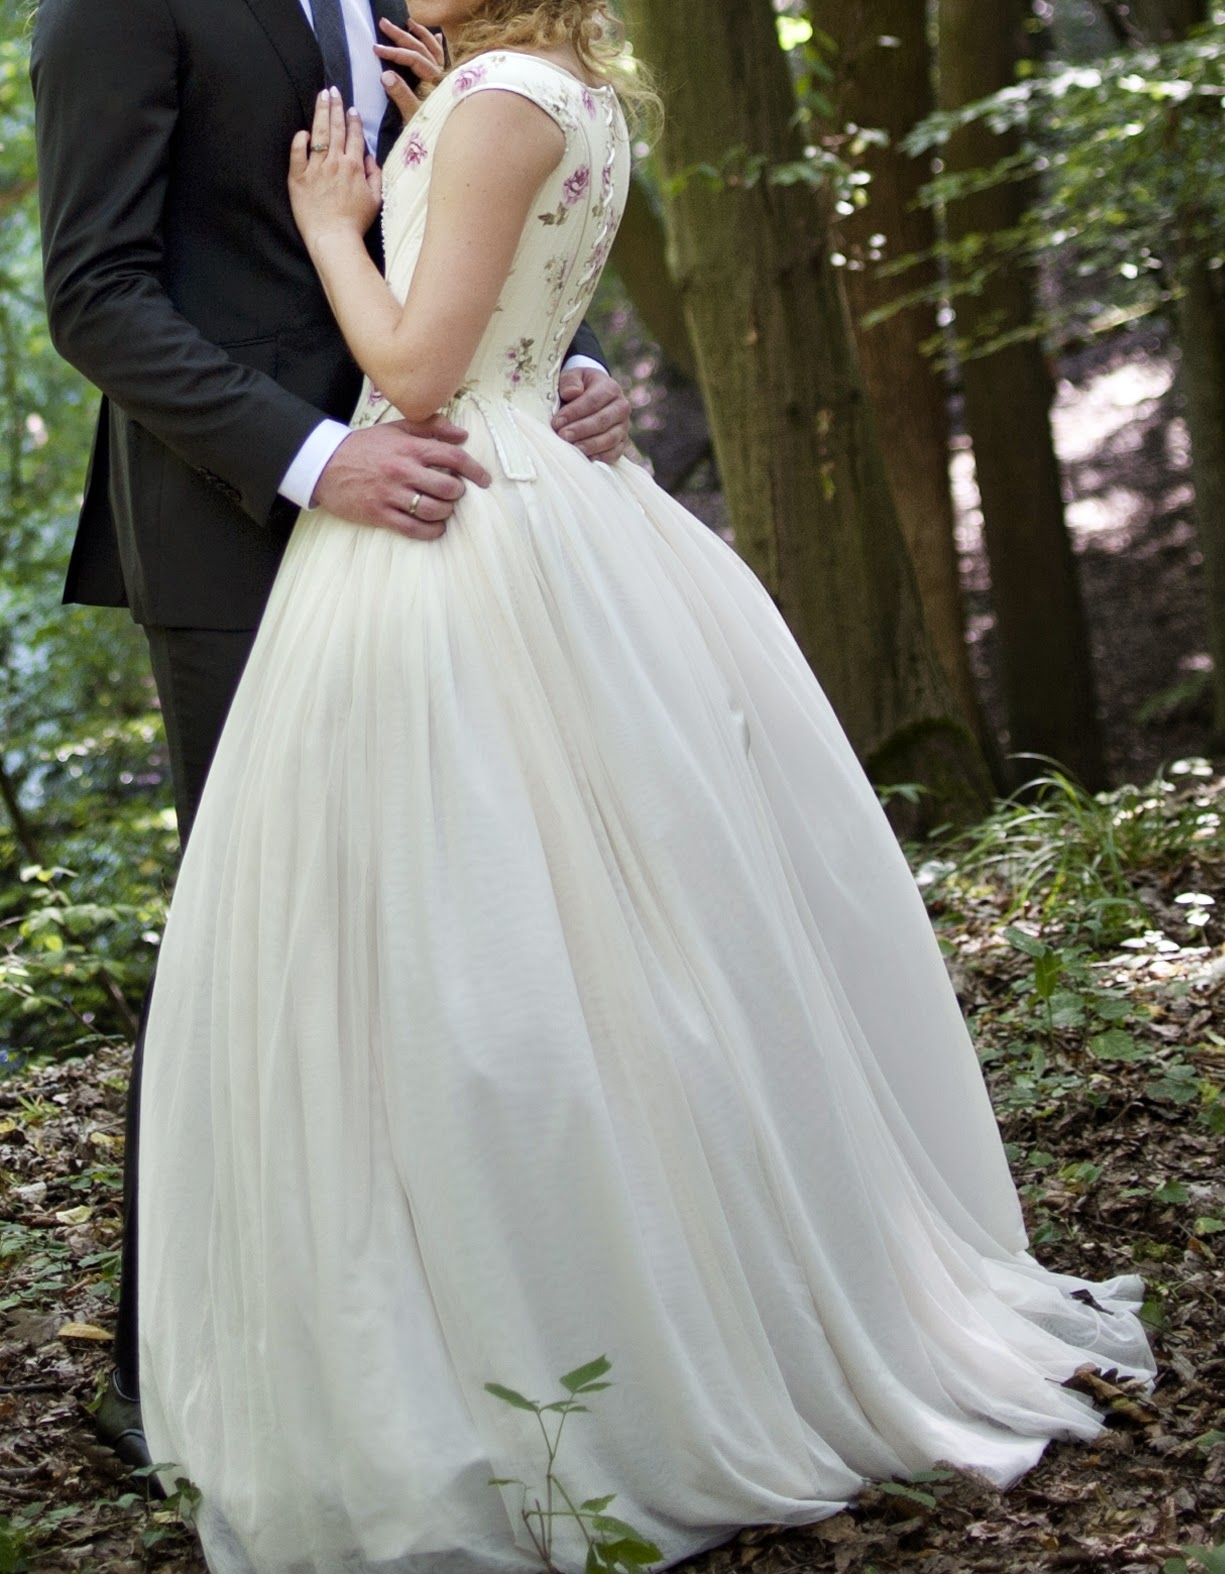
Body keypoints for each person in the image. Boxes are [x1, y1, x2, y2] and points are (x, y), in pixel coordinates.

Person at [136, 2, 1156, 1571]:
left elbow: (411, 367)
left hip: (454, 512)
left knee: (485, 935)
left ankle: (550, 1329)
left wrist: (336, 223)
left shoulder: (489, 101)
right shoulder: (550, 91)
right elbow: (518, 306)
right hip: (543, 494)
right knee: (615, 924)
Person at [29, 0, 631, 1471]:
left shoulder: (424, 8)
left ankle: (449, 1333)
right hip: (241, 534)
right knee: (259, 939)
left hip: (451, 513)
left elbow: (471, 198)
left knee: (459, 928)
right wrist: (313, 460)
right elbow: (95, 295)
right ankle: (174, 1364)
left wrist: (558, 362)